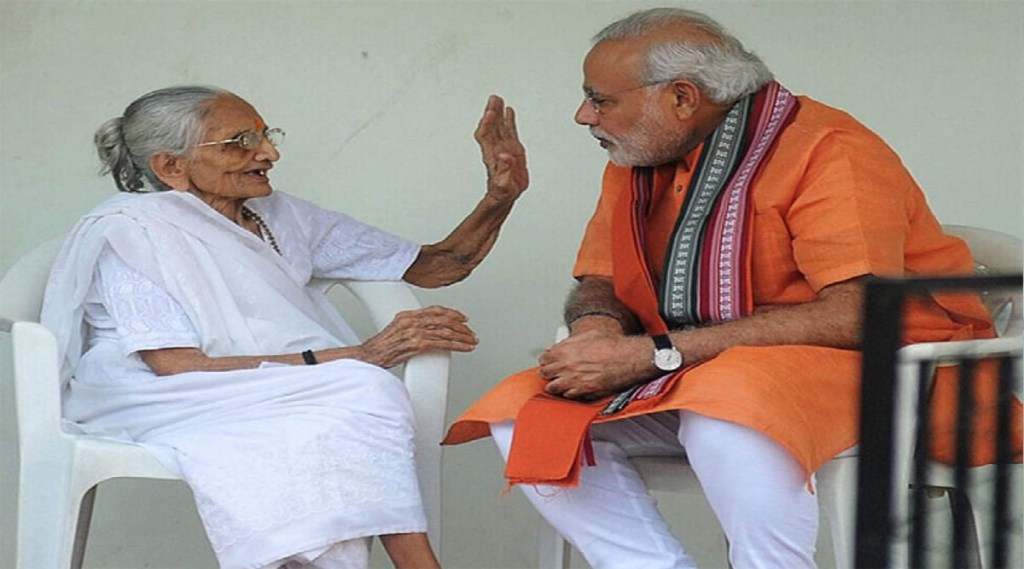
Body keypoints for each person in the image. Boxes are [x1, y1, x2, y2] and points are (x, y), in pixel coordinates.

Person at [443, 8, 1022, 569]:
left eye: (601, 99)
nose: (583, 115)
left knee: (726, 406)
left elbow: (857, 314)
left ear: (682, 97)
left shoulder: (830, 150)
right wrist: (596, 333)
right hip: (701, 371)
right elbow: (601, 279)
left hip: (885, 371)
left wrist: (654, 353)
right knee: (525, 409)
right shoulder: (638, 158)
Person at [40, 85, 527, 569]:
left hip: (272, 385)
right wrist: (359, 354)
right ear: (171, 166)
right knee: (361, 387)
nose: (268, 153)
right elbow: (175, 364)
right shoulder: (132, 230)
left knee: (348, 406)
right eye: (240, 142)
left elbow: (436, 266)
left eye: (265, 135)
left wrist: (500, 196)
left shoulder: (278, 214)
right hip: (156, 393)